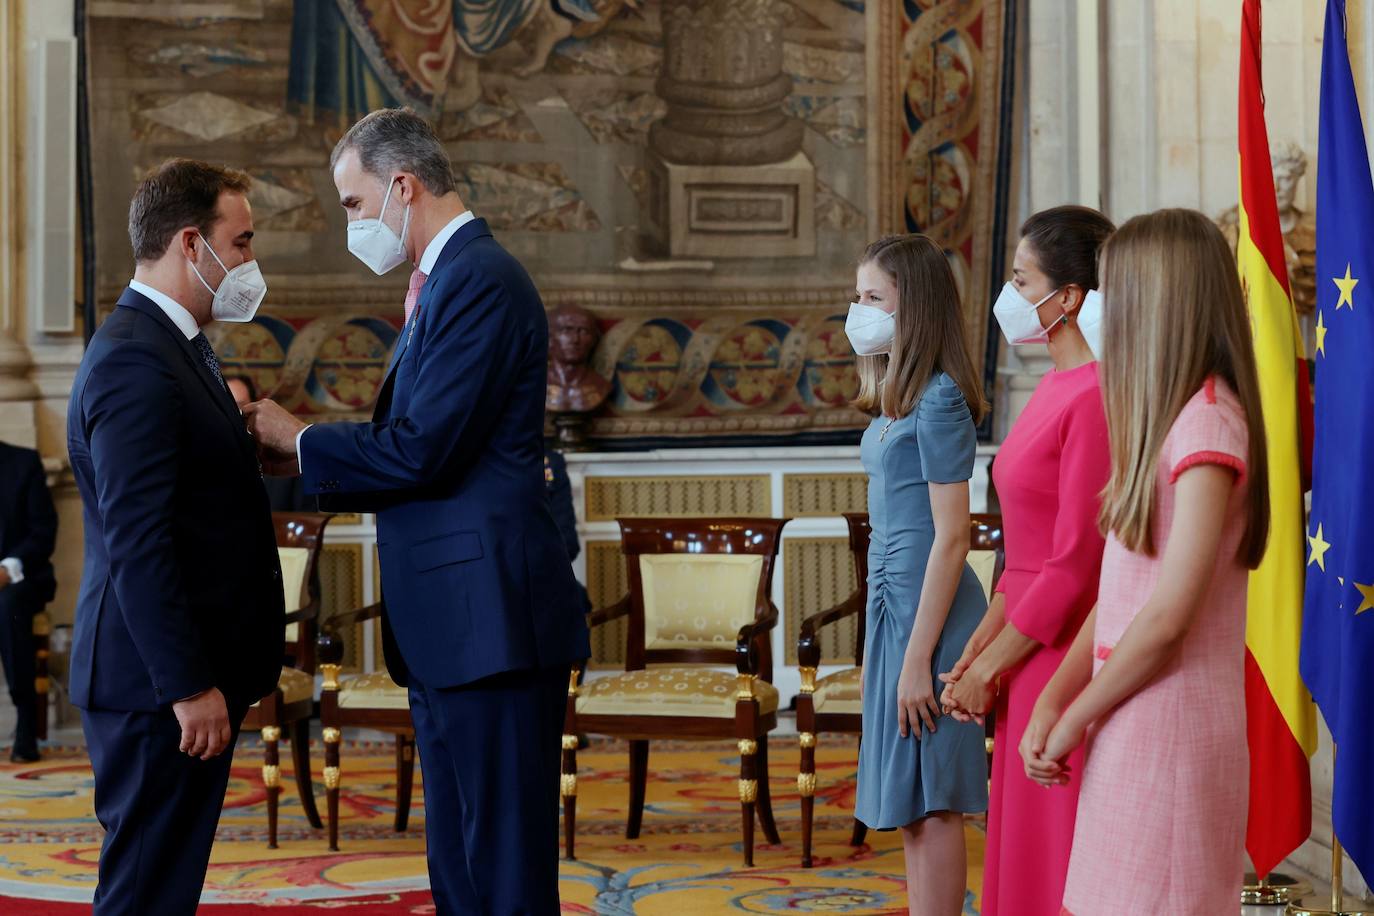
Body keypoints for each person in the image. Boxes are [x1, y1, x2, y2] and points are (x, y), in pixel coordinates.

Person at [243, 108, 590, 914]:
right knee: (463, 865)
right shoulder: (449, 281)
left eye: (354, 205)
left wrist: (303, 440)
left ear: (402, 186)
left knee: (500, 867)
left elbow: (422, 448)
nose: (352, 226)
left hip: (490, 624)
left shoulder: (478, 279)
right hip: (455, 627)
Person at [1020, 209, 1268, 914]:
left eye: (1113, 293)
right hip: (1127, 718)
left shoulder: (1209, 422)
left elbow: (1168, 616)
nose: (1103, 311)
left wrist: (1073, 720)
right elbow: (1120, 593)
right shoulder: (1166, 416)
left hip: (1170, 733)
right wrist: (1054, 697)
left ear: (1158, 301)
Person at [66, 159, 284, 915]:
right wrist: (188, 685)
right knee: (144, 895)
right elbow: (139, 539)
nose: (251, 261)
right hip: (155, 688)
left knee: (164, 890)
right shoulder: (135, 358)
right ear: (193, 243)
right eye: (243, 240)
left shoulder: (173, 346)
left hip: (171, 680)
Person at [937, 206, 1114, 916]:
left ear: (1069, 296)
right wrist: (974, 658)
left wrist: (992, 667)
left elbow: (1075, 567)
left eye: (1021, 278)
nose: (1008, 295)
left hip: (1060, 656)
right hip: (1021, 649)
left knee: (1053, 861)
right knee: (1016, 859)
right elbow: (1020, 555)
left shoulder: (1099, 396)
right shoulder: (1049, 387)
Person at [845, 234, 989, 916]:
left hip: (930, 620)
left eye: (874, 298)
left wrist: (917, 661)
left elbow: (954, 537)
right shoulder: (897, 398)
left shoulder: (938, 401)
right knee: (910, 802)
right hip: (893, 607)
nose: (859, 311)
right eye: (858, 296)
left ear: (916, 309)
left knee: (934, 804)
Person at [0, 440, 57, 762]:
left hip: (19, 579)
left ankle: (25, 726)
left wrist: (7, 570)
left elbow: (43, 530)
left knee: (9, 609)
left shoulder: (22, 462)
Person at [226, 375, 313, 512]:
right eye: (223, 408)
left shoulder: (284, 462)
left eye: (238, 407)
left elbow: (306, 522)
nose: (229, 415)